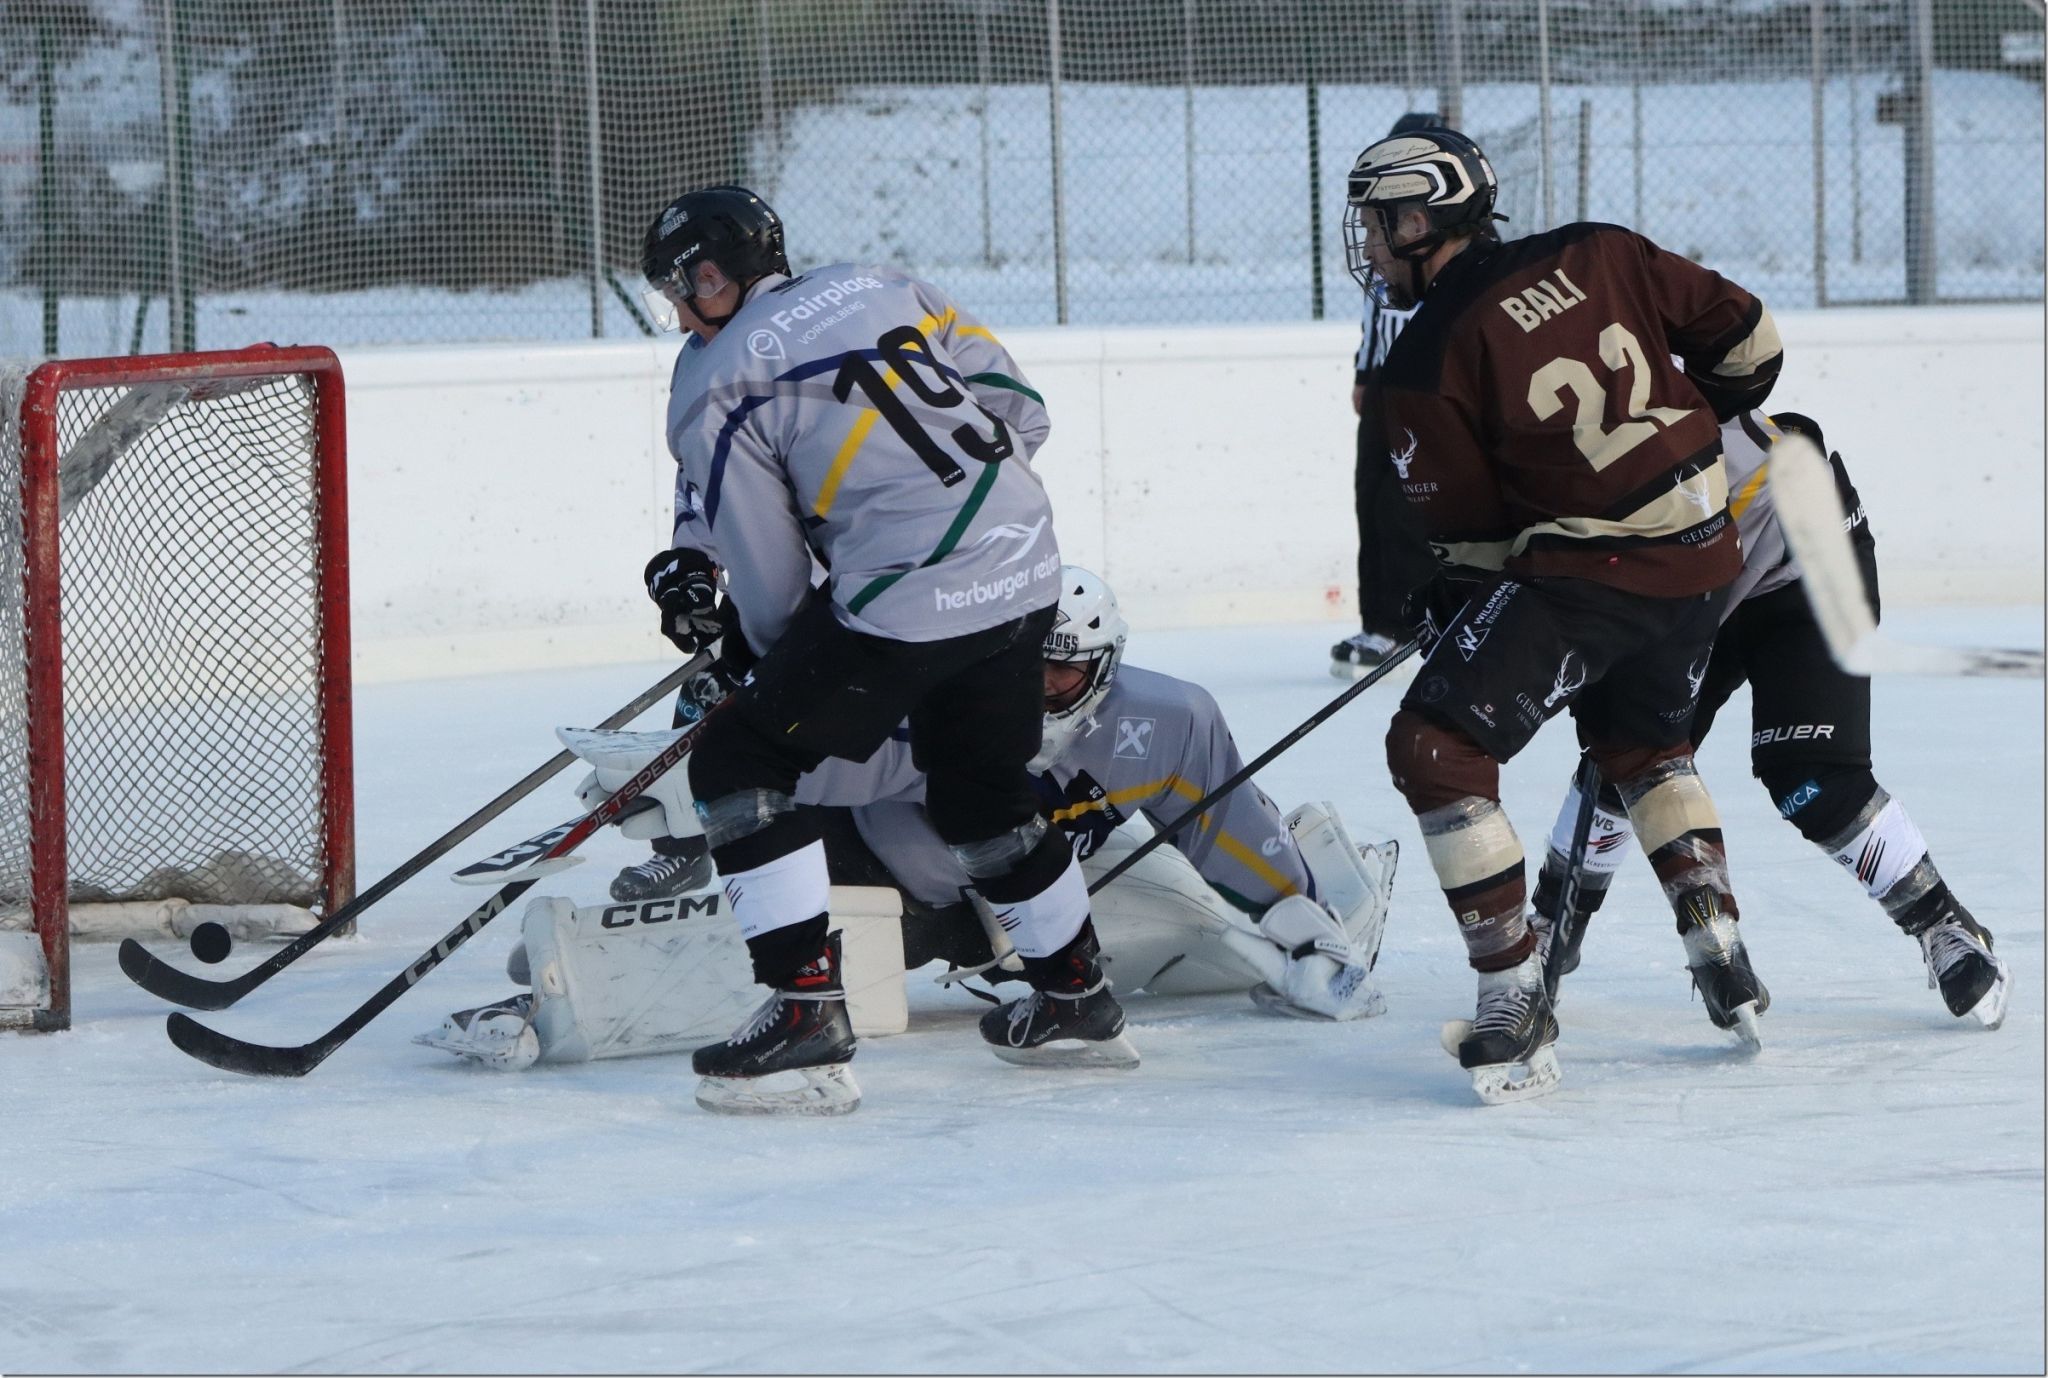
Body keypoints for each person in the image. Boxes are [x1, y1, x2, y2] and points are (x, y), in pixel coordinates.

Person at [417, 569, 1401, 1073]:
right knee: (786, 945)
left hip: (1001, 913)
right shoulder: (931, 703)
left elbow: (1220, 819)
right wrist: (688, 796)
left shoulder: (1166, 717)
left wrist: (1297, 921)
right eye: (1024, 662)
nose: (1037, 687)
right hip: (894, 881)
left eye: (1060, 671)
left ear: (1101, 665)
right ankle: (570, 981)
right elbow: (781, 776)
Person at [642, 184, 1129, 1116]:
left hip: (908, 595)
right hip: (1027, 569)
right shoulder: (884, 283)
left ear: (709, 278)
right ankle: (1077, 996)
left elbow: (766, 563)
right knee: (981, 794)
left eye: (679, 286)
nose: (676, 307)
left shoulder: (717, 375)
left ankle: (803, 1013)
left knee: (740, 761)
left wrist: (765, 650)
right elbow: (1020, 413)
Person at [1344, 128, 1784, 1101]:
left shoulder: (1422, 359)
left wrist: (1449, 611)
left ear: (1418, 221)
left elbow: (1476, 549)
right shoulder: (1601, 247)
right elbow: (1751, 344)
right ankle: (1717, 939)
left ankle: (1511, 996)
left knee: (1432, 748)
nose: (1368, 247)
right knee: (1645, 746)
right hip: (1706, 553)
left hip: (1594, 574)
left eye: (1376, 225)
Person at [1529, 409, 2011, 1029]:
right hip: (1698, 581)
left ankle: (1943, 922)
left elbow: (1743, 361)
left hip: (1802, 562)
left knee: (1811, 781)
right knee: (1631, 755)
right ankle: (1554, 924)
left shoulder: (1633, 359)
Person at [1331, 111, 1444, 680]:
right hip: (1382, 383)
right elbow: (1373, 309)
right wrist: (1363, 370)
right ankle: (1377, 621)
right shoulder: (1382, 232)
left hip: (1422, 385)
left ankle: (1408, 623)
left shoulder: (1442, 239)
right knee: (1371, 503)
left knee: (1406, 510)